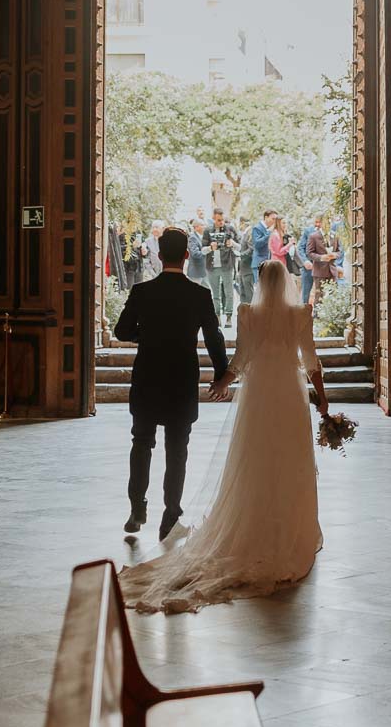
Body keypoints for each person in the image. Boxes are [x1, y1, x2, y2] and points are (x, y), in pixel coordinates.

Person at [119, 259, 329, 614]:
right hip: (290, 397)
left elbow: (242, 358)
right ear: (288, 283)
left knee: (254, 458)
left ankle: (246, 522)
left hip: (259, 395)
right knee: (291, 460)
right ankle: (289, 530)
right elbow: (310, 360)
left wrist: (222, 382)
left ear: (260, 283)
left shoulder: (248, 313)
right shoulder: (300, 316)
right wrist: (322, 400)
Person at [114, 227, 229, 542]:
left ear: (159, 255)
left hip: (148, 376)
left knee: (141, 442)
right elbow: (213, 338)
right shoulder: (200, 295)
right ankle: (171, 514)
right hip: (181, 378)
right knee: (177, 449)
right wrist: (221, 373)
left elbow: (121, 331)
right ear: (188, 255)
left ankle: (137, 509)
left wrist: (145, 335)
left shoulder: (142, 292)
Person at [202, 209, 238, 326]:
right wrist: (210, 248)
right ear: (213, 218)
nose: (221, 222)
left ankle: (228, 316)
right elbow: (202, 250)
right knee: (215, 294)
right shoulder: (207, 230)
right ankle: (217, 317)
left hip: (227, 265)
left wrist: (232, 244)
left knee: (229, 292)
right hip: (212, 266)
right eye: (218, 220)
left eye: (222, 220)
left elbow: (241, 246)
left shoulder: (230, 229)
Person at [306, 218, 337, 312]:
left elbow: (340, 251)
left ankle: (332, 318)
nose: (328, 224)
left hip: (332, 270)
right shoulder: (313, 236)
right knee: (319, 296)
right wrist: (321, 257)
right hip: (319, 270)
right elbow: (309, 253)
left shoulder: (334, 235)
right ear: (321, 224)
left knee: (333, 295)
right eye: (325, 222)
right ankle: (317, 317)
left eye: (329, 222)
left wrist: (335, 255)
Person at [298, 216, 323, 307]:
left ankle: (317, 315)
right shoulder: (307, 231)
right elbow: (300, 248)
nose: (317, 224)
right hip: (308, 267)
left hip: (321, 268)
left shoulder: (328, 233)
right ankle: (303, 314)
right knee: (306, 293)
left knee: (320, 292)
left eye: (319, 222)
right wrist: (305, 261)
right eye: (316, 222)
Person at [236, 221, 255, 306]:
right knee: (242, 292)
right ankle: (244, 311)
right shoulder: (245, 233)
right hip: (242, 268)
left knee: (248, 293)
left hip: (248, 268)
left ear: (243, 223)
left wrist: (240, 255)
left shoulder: (250, 232)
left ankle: (250, 313)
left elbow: (251, 250)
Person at [186, 220, 209, 288]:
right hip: (196, 272)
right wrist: (207, 250)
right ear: (196, 227)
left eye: (205, 225)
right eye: (202, 225)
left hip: (205, 271)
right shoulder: (193, 238)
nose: (205, 227)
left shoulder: (204, 237)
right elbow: (195, 254)